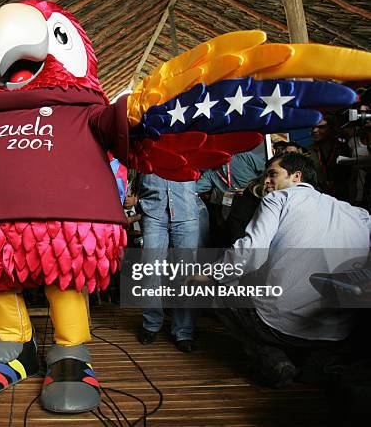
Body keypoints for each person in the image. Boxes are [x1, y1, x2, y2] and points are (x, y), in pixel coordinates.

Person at [206, 153, 370, 387]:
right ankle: (317, 361)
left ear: (296, 176)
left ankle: (271, 358)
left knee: (214, 290)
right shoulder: (358, 214)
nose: (266, 182)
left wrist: (209, 274)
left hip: (279, 324)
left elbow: (250, 253)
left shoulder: (279, 199)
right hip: (336, 330)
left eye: (273, 174)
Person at [136, 174, 199, 352]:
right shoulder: (147, 145)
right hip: (153, 211)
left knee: (185, 275)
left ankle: (184, 331)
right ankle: (151, 324)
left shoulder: (191, 146)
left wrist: (192, 191)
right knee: (150, 270)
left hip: (186, 213)